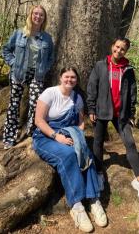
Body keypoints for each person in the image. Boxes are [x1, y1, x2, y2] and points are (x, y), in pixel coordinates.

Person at [33, 67, 107, 233]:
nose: (69, 80)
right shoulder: (49, 93)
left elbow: (81, 122)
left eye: (73, 77)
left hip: (69, 133)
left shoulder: (77, 98)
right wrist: (56, 136)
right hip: (45, 136)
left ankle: (94, 199)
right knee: (68, 156)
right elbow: (38, 121)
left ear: (76, 80)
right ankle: (77, 205)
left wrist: (78, 137)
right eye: (66, 77)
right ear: (60, 77)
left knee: (85, 153)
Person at [87, 37, 139, 203]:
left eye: (123, 49)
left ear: (126, 51)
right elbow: (92, 87)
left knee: (129, 143)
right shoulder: (101, 65)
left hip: (120, 114)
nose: (119, 51)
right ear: (112, 46)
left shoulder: (128, 70)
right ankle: (99, 173)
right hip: (102, 110)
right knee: (98, 142)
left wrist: (130, 113)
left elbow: (132, 93)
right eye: (117, 47)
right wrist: (91, 108)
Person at [2, 5, 54, 149]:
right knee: (14, 104)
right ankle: (9, 137)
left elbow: (51, 57)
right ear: (31, 15)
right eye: (35, 14)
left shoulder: (47, 38)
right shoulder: (19, 33)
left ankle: (31, 133)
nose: (38, 17)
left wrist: (45, 69)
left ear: (44, 19)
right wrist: (13, 63)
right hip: (19, 73)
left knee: (36, 104)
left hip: (37, 75)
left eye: (41, 15)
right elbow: (6, 49)